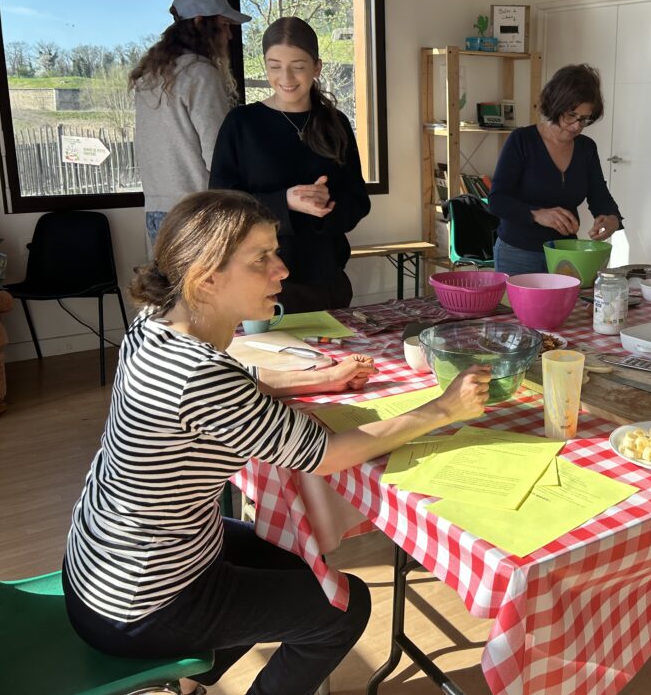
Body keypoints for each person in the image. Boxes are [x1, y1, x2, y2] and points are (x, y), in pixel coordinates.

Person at [62, 190, 490, 695]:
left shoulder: (155, 323)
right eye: (261, 259)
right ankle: (188, 670)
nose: (281, 270)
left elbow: (237, 386)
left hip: (103, 562)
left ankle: (194, 675)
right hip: (142, 601)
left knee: (300, 563)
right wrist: (443, 408)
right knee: (344, 610)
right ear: (206, 278)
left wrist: (322, 381)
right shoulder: (200, 376)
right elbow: (328, 456)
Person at [210, 16, 370, 311]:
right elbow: (221, 207)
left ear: (316, 67)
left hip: (325, 278)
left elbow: (359, 202)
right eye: (274, 66)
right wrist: (285, 202)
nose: (286, 77)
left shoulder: (336, 123)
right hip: (257, 282)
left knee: (339, 358)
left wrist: (325, 205)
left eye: (298, 66)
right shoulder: (241, 123)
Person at [130, 0, 249, 245]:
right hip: (196, 211)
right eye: (224, 25)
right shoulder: (200, 73)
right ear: (200, 23)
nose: (229, 36)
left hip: (156, 211)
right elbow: (217, 155)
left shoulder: (151, 75)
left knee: (168, 286)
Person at [487, 63, 623, 276]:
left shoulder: (586, 148)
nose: (577, 125)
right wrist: (537, 214)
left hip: (566, 253)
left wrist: (612, 219)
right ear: (555, 106)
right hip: (518, 252)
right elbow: (497, 200)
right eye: (571, 115)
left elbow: (599, 195)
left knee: (569, 309)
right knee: (516, 311)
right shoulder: (522, 141)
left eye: (585, 118)